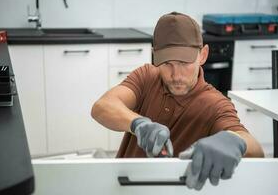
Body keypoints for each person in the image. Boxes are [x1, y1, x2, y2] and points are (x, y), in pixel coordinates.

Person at [91, 12, 264, 190]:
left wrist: (233, 140)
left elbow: (256, 151)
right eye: (167, 63)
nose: (176, 75)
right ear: (154, 56)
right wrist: (138, 124)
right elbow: (102, 107)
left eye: (184, 62)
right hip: (125, 187)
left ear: (203, 55)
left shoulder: (215, 104)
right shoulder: (147, 76)